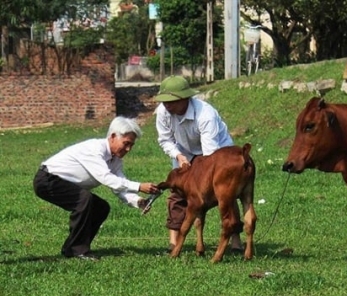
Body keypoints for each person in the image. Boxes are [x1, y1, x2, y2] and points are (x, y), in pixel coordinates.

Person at [33, 116, 160, 261]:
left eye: (131, 145)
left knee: (100, 207)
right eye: (126, 143)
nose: (128, 149)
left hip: (62, 182)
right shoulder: (94, 149)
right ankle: (78, 251)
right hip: (48, 180)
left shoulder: (115, 159)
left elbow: (119, 184)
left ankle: (71, 248)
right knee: (84, 200)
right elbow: (106, 178)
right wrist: (139, 186)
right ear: (112, 136)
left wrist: (137, 201)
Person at [153, 75, 243, 253]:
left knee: (225, 194)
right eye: (163, 101)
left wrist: (198, 178)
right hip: (183, 152)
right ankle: (173, 242)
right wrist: (178, 156)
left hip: (217, 152)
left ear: (184, 99)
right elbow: (165, 139)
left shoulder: (205, 115)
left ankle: (236, 240)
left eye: (170, 101)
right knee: (177, 192)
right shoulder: (163, 112)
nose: (166, 105)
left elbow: (210, 154)